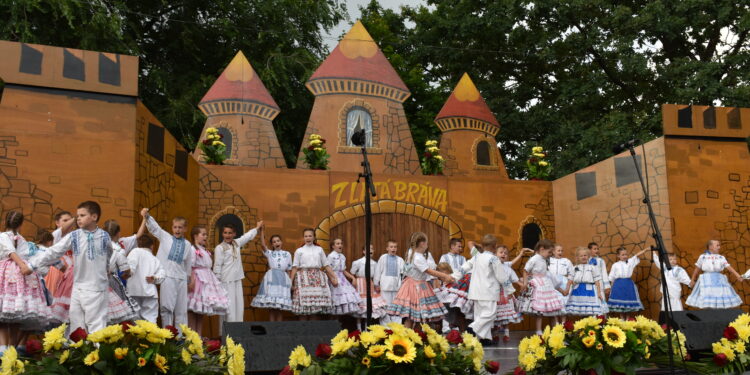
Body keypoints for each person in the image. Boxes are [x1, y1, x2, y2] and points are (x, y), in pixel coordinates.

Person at [30, 201, 123, 335]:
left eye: (82, 215)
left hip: (97, 288)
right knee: (77, 326)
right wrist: (31, 264)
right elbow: (54, 251)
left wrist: (106, 271)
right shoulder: (74, 236)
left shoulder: (104, 236)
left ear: (94, 217)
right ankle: (78, 354)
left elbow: (109, 255)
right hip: (78, 287)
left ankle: (96, 355)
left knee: (96, 326)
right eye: (77, 215)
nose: (78, 218)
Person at [0, 211, 49, 350]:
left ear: (6, 222)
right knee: (14, 315)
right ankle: (12, 347)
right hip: (20, 274)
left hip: (5, 273)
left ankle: (4, 348)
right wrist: (23, 265)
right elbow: (24, 254)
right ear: (21, 224)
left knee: (4, 314)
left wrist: (21, 264)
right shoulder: (21, 239)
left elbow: (10, 252)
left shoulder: (3, 236)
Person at [386, 232, 454, 328]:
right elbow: (429, 271)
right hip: (415, 286)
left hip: (414, 283)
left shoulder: (411, 252)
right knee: (412, 315)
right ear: (422, 244)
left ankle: (416, 336)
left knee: (417, 315)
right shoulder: (417, 257)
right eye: (426, 243)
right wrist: (445, 276)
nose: (427, 245)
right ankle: (408, 337)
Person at [141, 208, 194, 329]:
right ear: (172, 228)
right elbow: (155, 229)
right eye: (175, 227)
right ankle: (168, 335)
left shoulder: (187, 244)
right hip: (168, 277)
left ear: (185, 229)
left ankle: (180, 338)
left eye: (180, 227)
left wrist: (189, 278)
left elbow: (188, 263)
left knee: (181, 309)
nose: (177, 230)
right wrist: (147, 216)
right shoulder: (166, 237)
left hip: (181, 278)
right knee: (167, 307)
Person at [454, 234, 508, 346]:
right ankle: (471, 329)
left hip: (476, 292)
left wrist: (453, 276)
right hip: (489, 292)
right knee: (490, 314)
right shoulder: (494, 259)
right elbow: (501, 277)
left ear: (482, 246)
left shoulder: (477, 257)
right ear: (495, 247)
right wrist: (510, 289)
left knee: (479, 315)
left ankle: (484, 339)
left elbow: (465, 267)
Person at [213, 221, 262, 326]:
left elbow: (247, 236)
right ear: (222, 234)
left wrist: (257, 228)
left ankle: (237, 330)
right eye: (225, 233)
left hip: (237, 279)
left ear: (234, 234)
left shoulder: (236, 243)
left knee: (239, 306)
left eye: (230, 233)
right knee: (229, 308)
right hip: (226, 281)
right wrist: (217, 285)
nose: (227, 235)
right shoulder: (220, 248)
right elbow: (217, 266)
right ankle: (226, 333)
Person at [518, 239, 565, 336]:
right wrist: (525, 283)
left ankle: (555, 331)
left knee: (552, 310)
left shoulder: (544, 259)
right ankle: (539, 331)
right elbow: (526, 270)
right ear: (542, 249)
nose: (550, 254)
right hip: (538, 284)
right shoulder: (534, 259)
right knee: (539, 311)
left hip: (546, 284)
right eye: (549, 252)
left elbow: (548, 274)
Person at [188, 226, 228, 334]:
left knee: (201, 311)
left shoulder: (204, 250)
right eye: (203, 234)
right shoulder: (192, 249)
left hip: (206, 281)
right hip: (198, 281)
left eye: (206, 234)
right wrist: (191, 280)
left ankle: (198, 336)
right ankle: (191, 337)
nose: (206, 236)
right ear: (195, 236)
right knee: (192, 310)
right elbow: (190, 266)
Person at [290, 228, 338, 319]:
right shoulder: (299, 251)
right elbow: (295, 267)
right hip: (303, 279)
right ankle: (303, 331)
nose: (308, 238)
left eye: (310, 236)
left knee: (315, 308)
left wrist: (334, 277)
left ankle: (314, 331)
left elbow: (326, 265)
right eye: (306, 236)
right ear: (303, 237)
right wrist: (290, 282)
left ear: (314, 237)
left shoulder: (319, 249)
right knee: (303, 308)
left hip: (317, 278)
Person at [686, 240, 743, 309]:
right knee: (707, 299)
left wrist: (737, 275)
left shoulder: (721, 257)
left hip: (719, 280)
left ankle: (718, 315)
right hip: (706, 280)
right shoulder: (703, 257)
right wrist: (692, 280)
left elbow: (729, 267)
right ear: (710, 247)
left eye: (719, 245)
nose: (719, 247)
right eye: (717, 245)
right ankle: (709, 315)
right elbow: (697, 269)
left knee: (719, 297)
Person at [250, 232, 293, 321]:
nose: (276, 243)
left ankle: (279, 330)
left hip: (282, 280)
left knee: (280, 307)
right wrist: (261, 232)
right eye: (274, 242)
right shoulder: (269, 253)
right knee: (272, 308)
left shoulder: (287, 254)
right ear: (272, 244)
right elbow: (262, 245)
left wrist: (290, 284)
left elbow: (289, 270)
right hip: (272, 279)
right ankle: (271, 329)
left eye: (278, 241)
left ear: (281, 242)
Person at [126, 234, 165, 323]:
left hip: (134, 290)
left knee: (134, 320)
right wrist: (155, 278)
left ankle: (136, 337)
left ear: (138, 244)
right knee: (150, 319)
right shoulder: (154, 259)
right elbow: (162, 274)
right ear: (152, 246)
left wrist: (128, 273)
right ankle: (150, 336)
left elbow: (131, 266)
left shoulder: (135, 251)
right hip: (150, 291)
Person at [350, 245, 388, 328]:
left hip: (370, 284)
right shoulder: (358, 262)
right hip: (360, 283)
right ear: (363, 251)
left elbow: (376, 276)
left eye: (372, 249)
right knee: (360, 306)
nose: (370, 250)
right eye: (368, 249)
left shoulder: (374, 263)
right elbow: (352, 273)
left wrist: (377, 285)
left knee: (368, 306)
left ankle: (367, 328)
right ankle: (359, 328)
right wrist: (354, 279)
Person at [607, 246, 650, 318]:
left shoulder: (630, 262)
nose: (625, 256)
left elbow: (637, 255)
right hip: (618, 285)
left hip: (628, 285)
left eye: (626, 254)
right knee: (620, 303)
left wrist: (645, 250)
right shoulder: (615, 265)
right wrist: (611, 288)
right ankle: (622, 319)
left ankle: (627, 320)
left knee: (628, 302)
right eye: (623, 255)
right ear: (618, 256)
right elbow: (612, 277)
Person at [493, 244, 523, 343]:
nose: (503, 254)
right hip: (496, 293)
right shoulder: (493, 265)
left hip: (506, 294)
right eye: (501, 252)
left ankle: (506, 334)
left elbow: (514, 278)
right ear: (495, 254)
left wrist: (522, 284)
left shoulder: (507, 267)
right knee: (496, 316)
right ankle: (495, 334)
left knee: (506, 315)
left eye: (505, 253)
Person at [564, 247, 607, 316]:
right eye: (581, 256)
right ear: (578, 257)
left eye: (585, 255)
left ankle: (588, 325)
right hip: (577, 291)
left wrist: (599, 293)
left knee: (589, 310)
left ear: (588, 256)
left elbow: (597, 281)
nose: (583, 257)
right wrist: (567, 289)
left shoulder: (592, 267)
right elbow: (570, 280)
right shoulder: (574, 268)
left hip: (589, 291)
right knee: (580, 310)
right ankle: (581, 325)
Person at [327, 238, 361, 316]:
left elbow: (343, 270)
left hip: (342, 279)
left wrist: (352, 277)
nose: (340, 245)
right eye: (337, 244)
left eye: (341, 243)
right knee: (336, 299)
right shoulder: (331, 256)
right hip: (334, 278)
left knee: (346, 297)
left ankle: (339, 321)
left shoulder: (342, 256)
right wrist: (333, 280)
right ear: (333, 246)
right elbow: (328, 270)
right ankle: (333, 320)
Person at [374, 240, 404, 324]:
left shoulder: (400, 260)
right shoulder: (383, 257)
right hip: (385, 287)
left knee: (396, 307)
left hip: (396, 288)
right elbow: (378, 271)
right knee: (385, 307)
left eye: (395, 247)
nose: (393, 248)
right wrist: (376, 283)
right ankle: (385, 328)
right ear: (387, 248)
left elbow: (403, 273)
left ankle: (397, 327)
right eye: (391, 247)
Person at [46, 211, 75, 295]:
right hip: (58, 270)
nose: (69, 223)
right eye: (65, 221)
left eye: (70, 221)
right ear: (57, 223)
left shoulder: (73, 236)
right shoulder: (55, 235)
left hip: (71, 270)